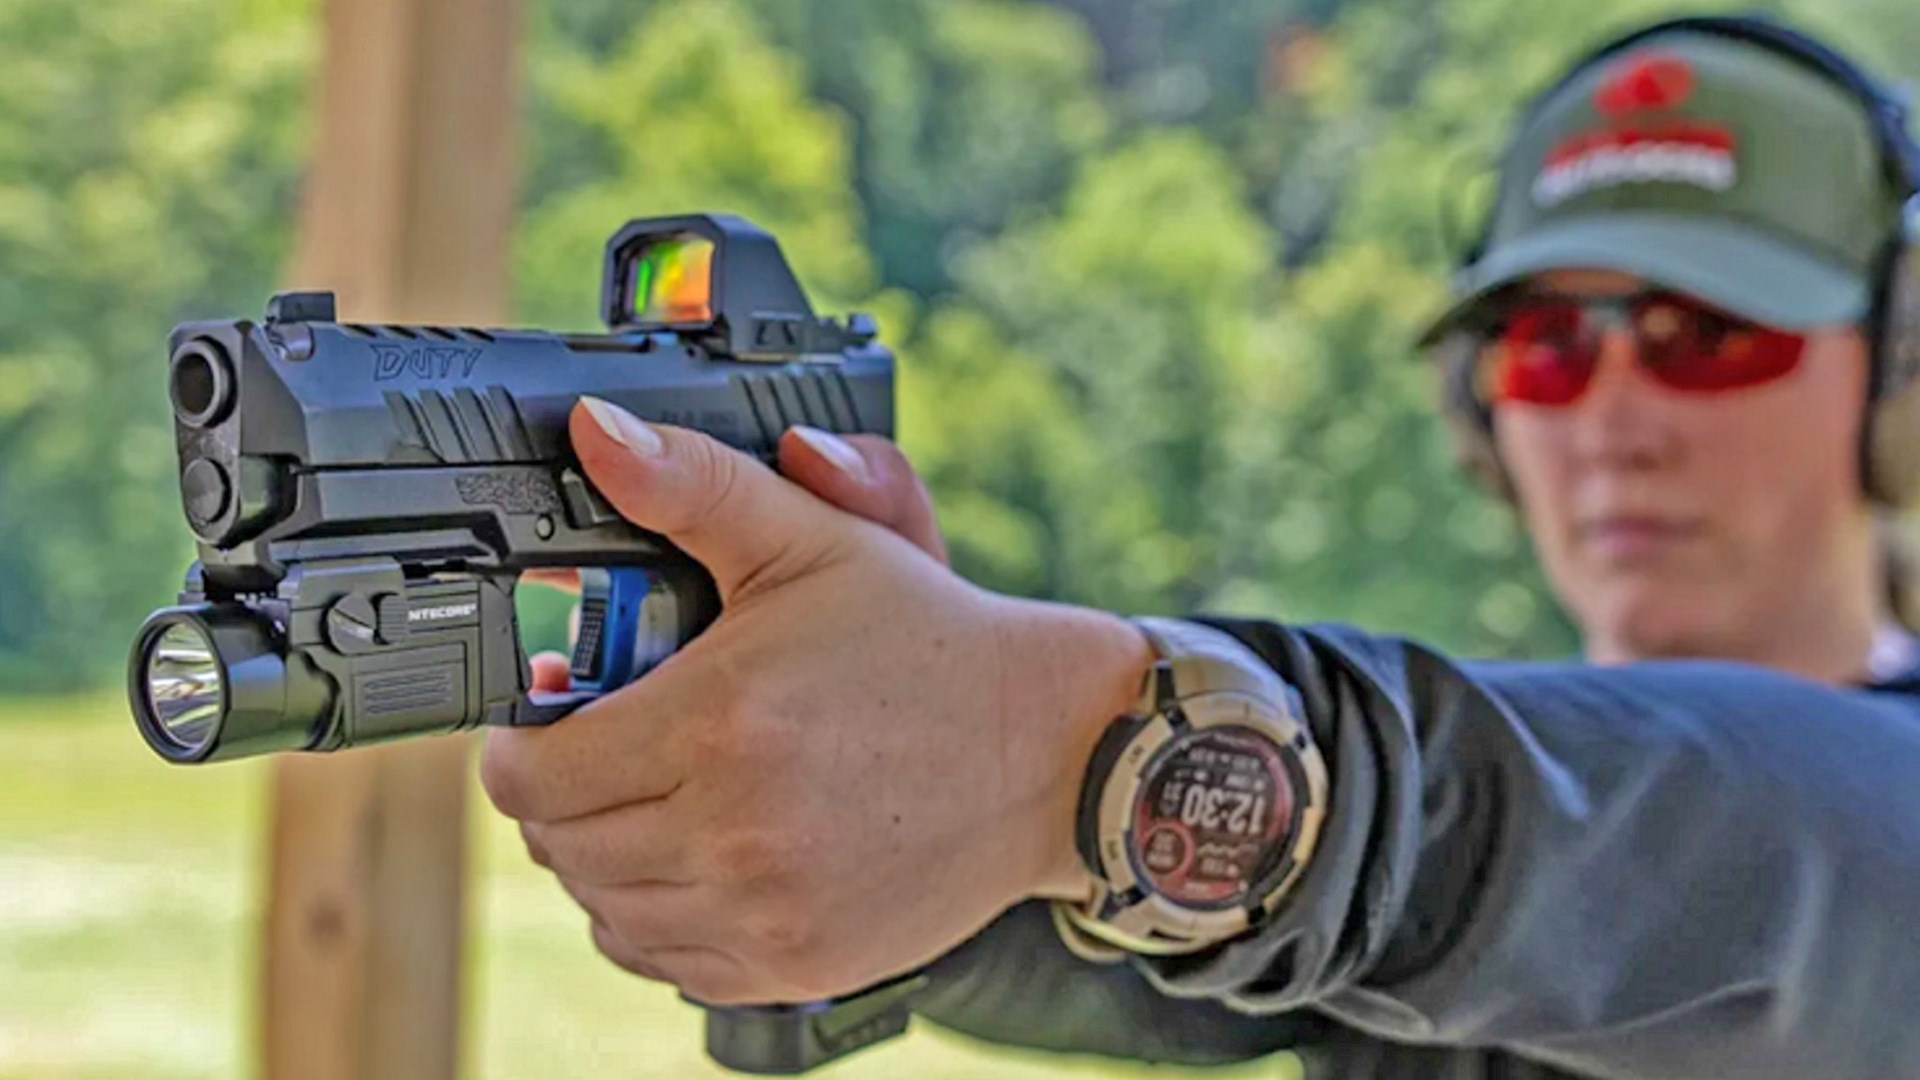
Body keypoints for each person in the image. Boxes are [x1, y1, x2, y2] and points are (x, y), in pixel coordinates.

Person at [480, 16, 1920, 1080]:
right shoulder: (1424, 892)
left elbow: (1803, 866)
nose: (1611, 419)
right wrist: (864, 773)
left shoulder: (1507, 840)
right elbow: (1162, 943)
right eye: (1545, 349)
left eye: (1705, 339)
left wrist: (1081, 746)